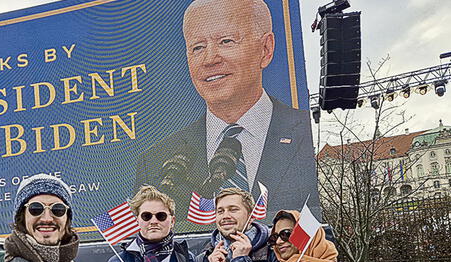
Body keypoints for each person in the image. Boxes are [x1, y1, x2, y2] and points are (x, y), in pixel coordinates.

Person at [135, 0, 319, 222]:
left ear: (266, 49)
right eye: (198, 47)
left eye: (226, 41)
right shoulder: (157, 162)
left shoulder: (305, 133)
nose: (210, 59)